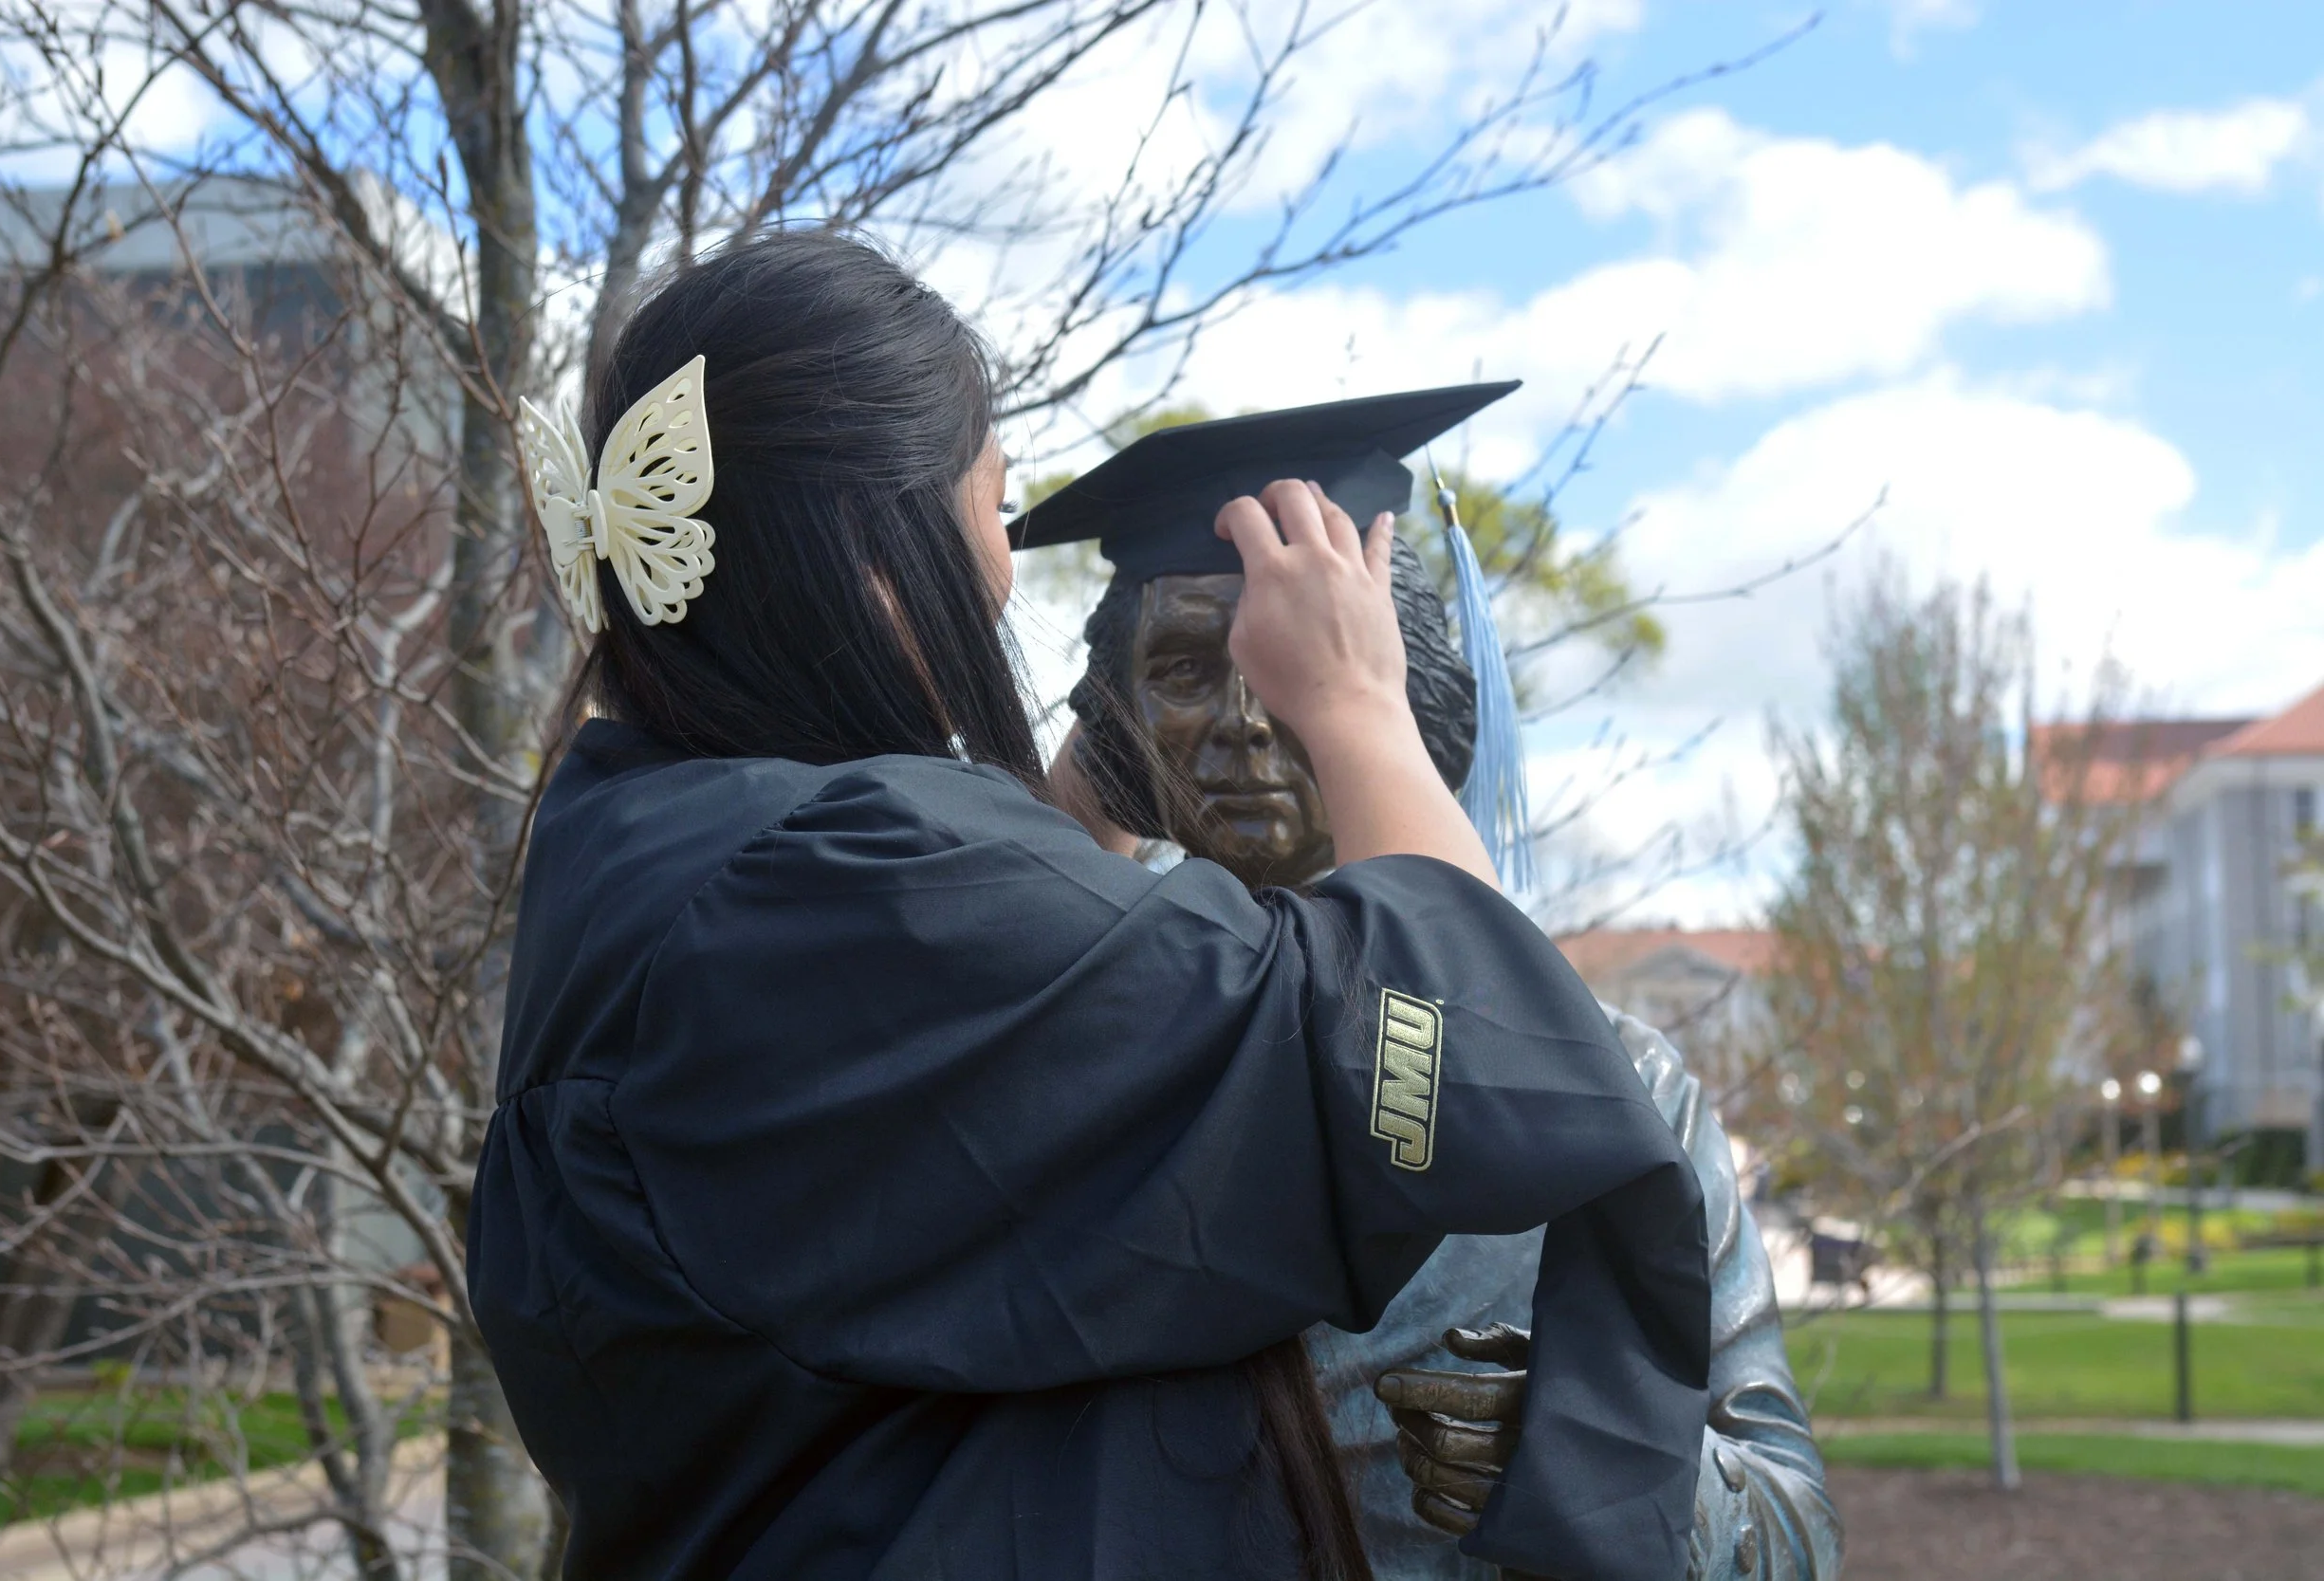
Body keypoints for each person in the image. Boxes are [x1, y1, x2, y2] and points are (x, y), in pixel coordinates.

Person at [469, 231, 1714, 1581]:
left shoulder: (650, 842)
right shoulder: (827, 887)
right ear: (873, 540)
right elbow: (1446, 1043)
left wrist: (1105, 768)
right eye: (993, 507)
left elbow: (1006, 1041)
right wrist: (1357, 703)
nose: (999, 573)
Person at [1036, 396, 1840, 1580]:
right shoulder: (1051, 1045)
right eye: (1188, 668)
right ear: (1114, 718)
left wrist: (1591, 1457)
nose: (1247, 720)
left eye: (1300, 663)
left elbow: (1795, 1533)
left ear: (1405, 693)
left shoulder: (1611, 1084)